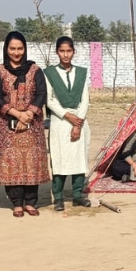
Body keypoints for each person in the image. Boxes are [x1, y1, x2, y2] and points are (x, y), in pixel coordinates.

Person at [0, 31, 50, 217]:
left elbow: (41, 94)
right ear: (6, 49)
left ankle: (31, 202)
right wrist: (17, 114)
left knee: (31, 161)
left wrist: (29, 114)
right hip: (8, 125)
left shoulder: (35, 70)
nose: (16, 52)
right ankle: (16, 202)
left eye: (20, 48)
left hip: (33, 124)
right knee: (12, 161)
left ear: (25, 49)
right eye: (12, 48)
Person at [43, 36, 92, 211]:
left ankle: (78, 194)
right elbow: (49, 100)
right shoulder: (49, 73)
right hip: (60, 121)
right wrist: (67, 116)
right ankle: (58, 197)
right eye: (62, 51)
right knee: (59, 159)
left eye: (68, 51)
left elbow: (85, 100)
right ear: (57, 52)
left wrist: (77, 123)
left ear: (73, 51)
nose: (65, 54)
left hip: (80, 120)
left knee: (79, 158)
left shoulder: (81, 73)